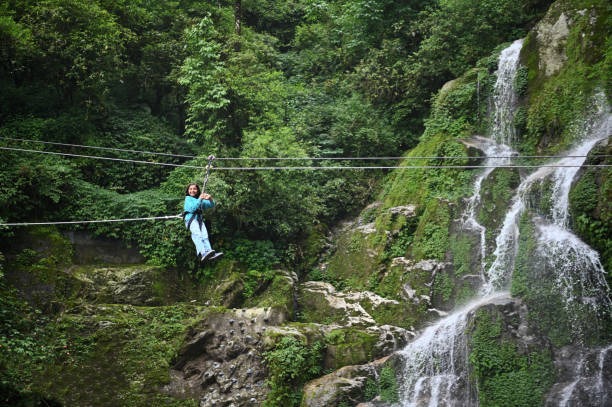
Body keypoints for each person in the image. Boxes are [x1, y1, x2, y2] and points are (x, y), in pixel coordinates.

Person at [183, 183, 223, 263]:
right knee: (197, 234)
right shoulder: (188, 199)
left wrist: (210, 198)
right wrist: (200, 199)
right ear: (188, 191)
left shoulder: (200, 200)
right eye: (190, 189)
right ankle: (202, 252)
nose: (192, 190)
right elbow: (192, 209)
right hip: (191, 220)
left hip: (199, 220)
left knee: (205, 235)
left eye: (194, 189)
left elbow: (212, 205)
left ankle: (209, 252)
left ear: (197, 190)